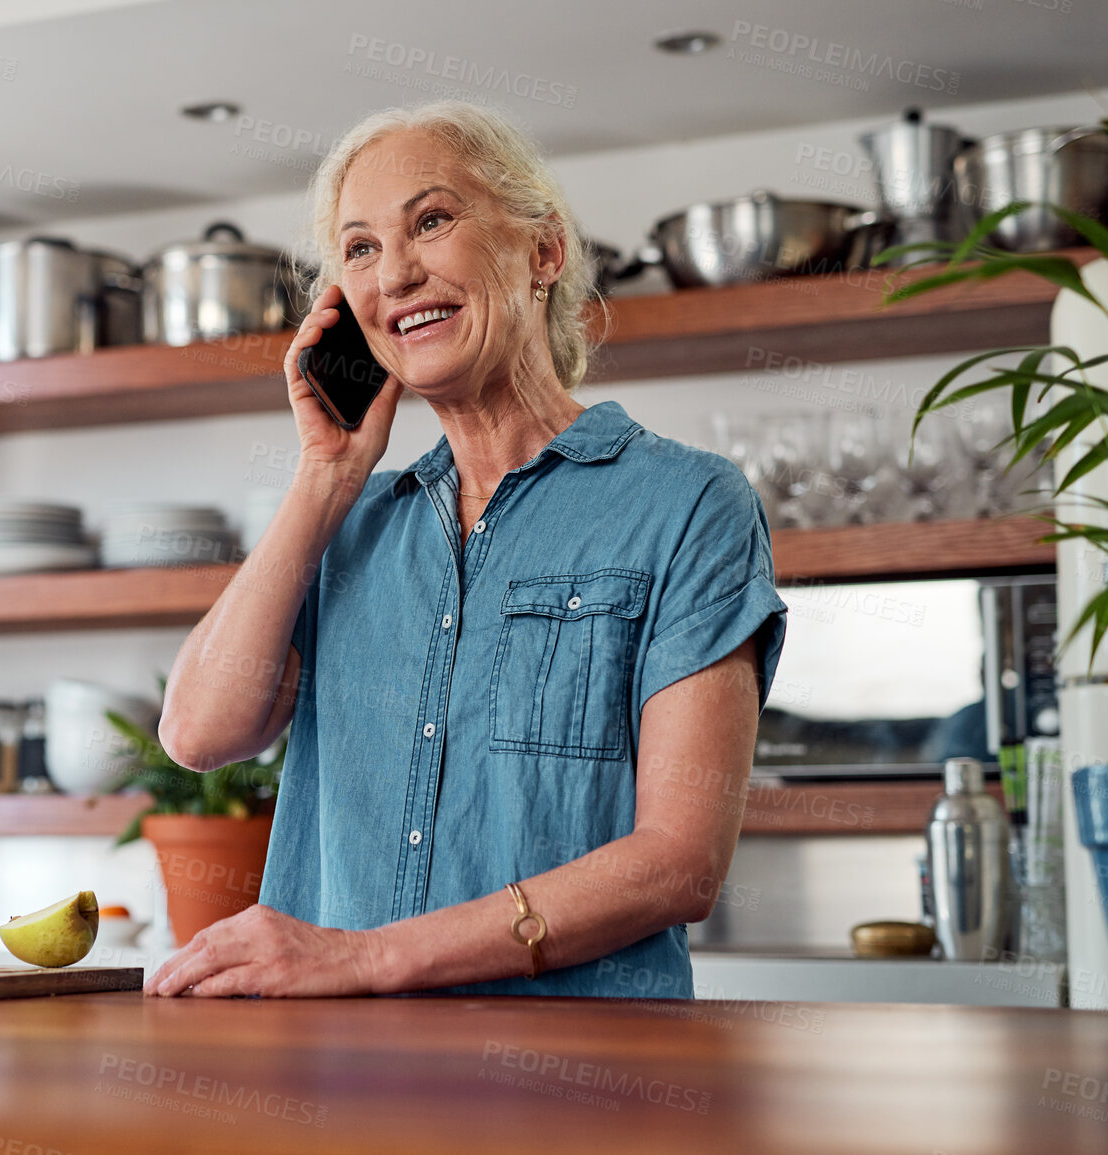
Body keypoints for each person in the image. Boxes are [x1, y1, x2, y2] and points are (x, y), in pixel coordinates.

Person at [146, 101, 787, 999]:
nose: (397, 272)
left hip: (578, 1094)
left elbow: (676, 862)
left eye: (433, 221)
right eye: (360, 250)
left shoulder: (685, 503)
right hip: (339, 1085)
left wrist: (366, 957)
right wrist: (324, 475)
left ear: (543, 252)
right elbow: (197, 733)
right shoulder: (348, 521)